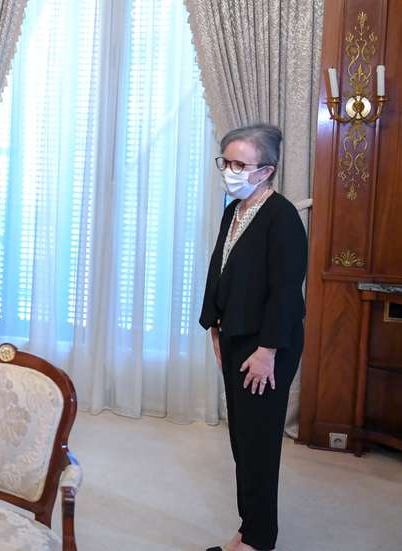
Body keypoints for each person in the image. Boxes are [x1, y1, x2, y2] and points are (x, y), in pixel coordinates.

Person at [200, 124, 307, 551]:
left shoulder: (281, 218)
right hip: (235, 337)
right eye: (225, 162)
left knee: (258, 444)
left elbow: (286, 292)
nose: (229, 170)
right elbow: (221, 269)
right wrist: (214, 324)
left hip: (265, 346)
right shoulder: (236, 209)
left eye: (239, 164)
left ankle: (259, 541)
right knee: (242, 439)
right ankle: (249, 528)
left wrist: (266, 352)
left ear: (266, 170)